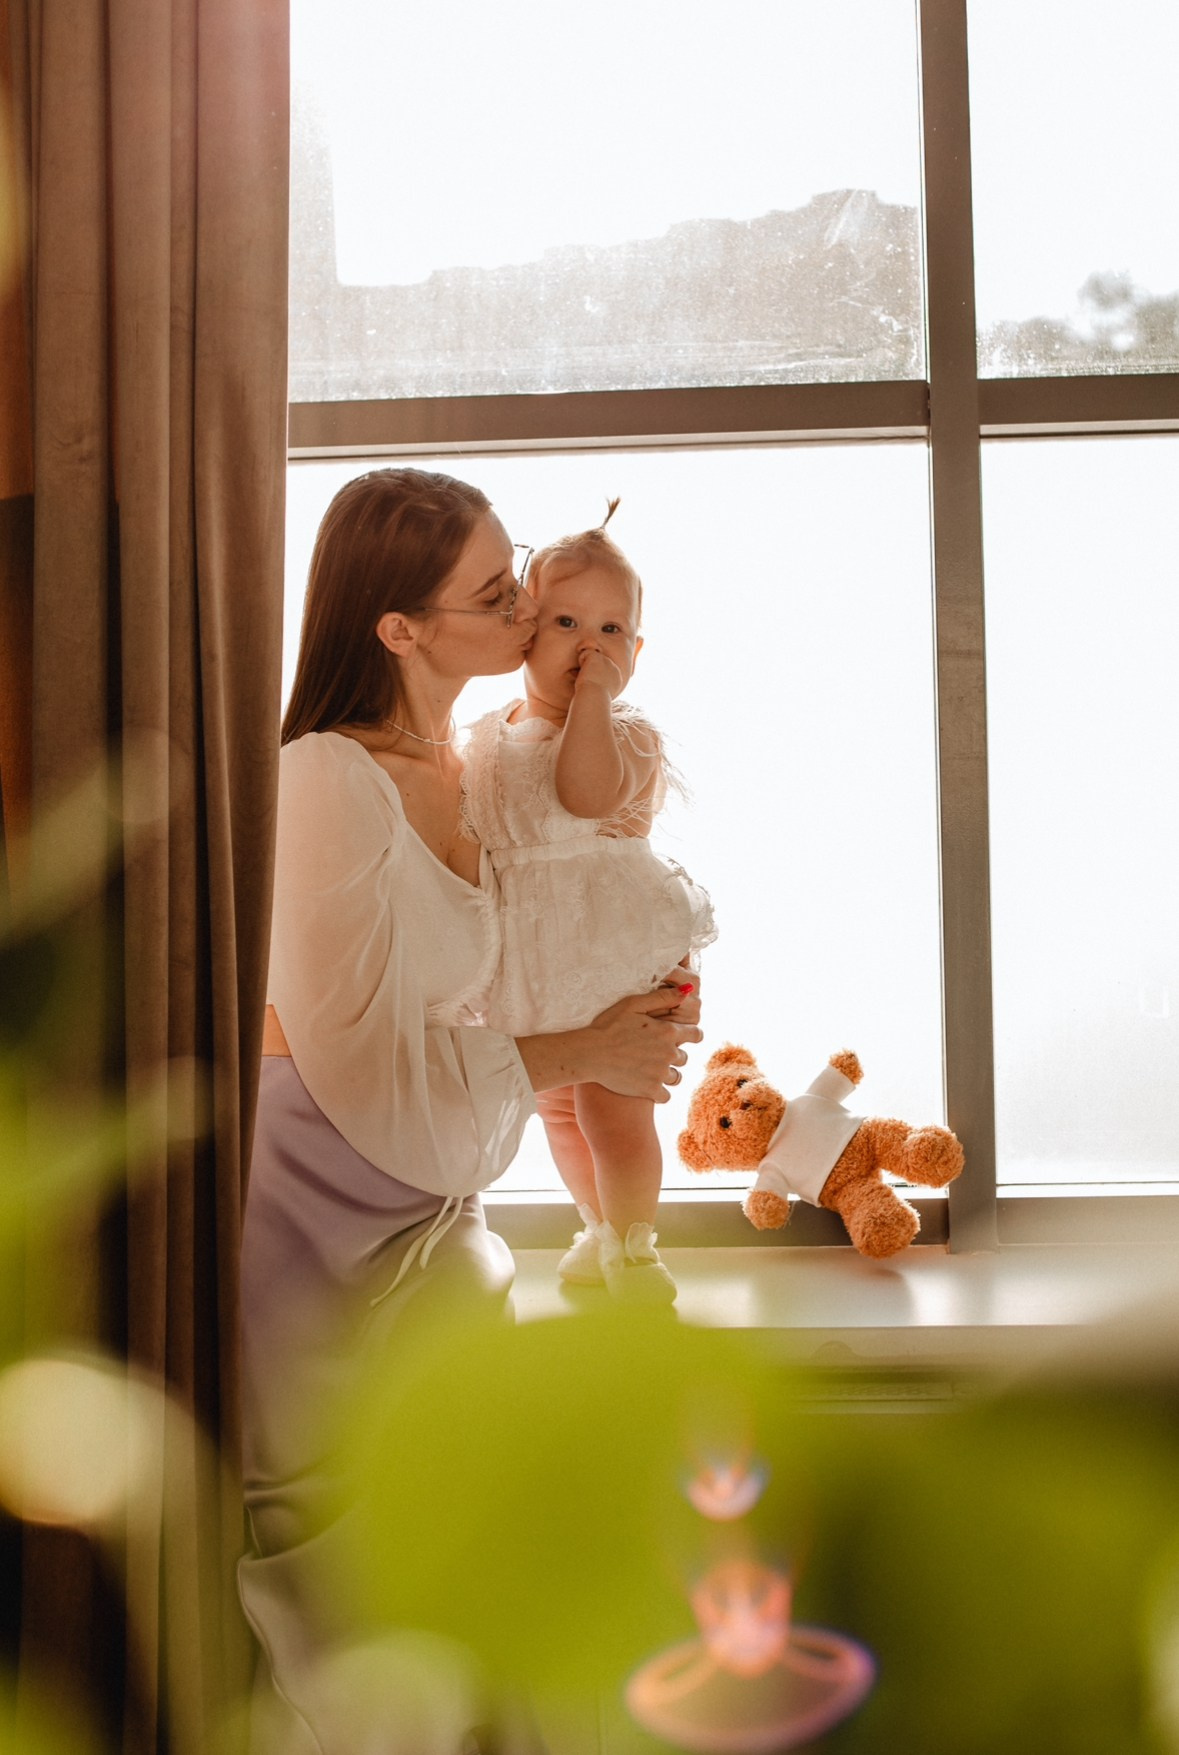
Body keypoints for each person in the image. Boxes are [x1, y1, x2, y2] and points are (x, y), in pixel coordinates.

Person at [238, 467, 702, 1754]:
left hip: (437, 1193)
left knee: (494, 1554)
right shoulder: (326, 778)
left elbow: (525, 955)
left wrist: (641, 992)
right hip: (320, 1201)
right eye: (497, 594)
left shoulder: (482, 767)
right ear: (399, 627)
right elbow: (359, 1055)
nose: (529, 608)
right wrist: (583, 1050)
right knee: (357, 1575)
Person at [461, 503, 715, 1303]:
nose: (589, 647)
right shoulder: (486, 734)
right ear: (523, 631)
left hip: (618, 958)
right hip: (535, 960)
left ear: (635, 653)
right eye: (567, 622)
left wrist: (595, 701)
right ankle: (598, 1227)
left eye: (612, 631)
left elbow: (583, 794)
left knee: (612, 1106)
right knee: (558, 1110)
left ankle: (637, 1247)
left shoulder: (627, 733)